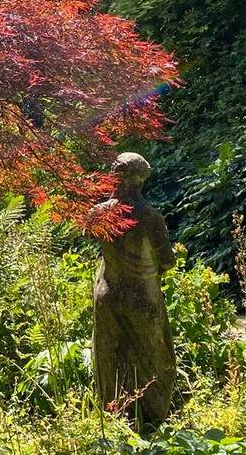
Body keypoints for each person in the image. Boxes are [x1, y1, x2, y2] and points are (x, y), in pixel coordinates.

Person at [92, 152, 177, 425]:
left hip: (107, 291)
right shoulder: (150, 217)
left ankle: (115, 415)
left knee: (109, 355)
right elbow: (167, 260)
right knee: (155, 357)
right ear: (141, 181)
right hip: (142, 295)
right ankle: (152, 420)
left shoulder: (98, 213)